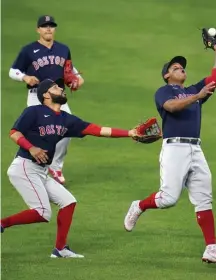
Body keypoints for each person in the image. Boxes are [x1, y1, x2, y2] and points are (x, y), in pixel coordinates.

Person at [1, 79, 138, 258]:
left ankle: (60, 249)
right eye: (56, 87)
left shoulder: (66, 119)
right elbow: (14, 132)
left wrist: (129, 133)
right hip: (25, 167)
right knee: (43, 212)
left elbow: (97, 130)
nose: (61, 88)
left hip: (41, 171)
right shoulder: (33, 111)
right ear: (45, 95)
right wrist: (31, 148)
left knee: (68, 202)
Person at [123, 46, 216, 265]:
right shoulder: (164, 92)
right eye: (175, 67)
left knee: (204, 197)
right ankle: (140, 205)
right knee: (168, 198)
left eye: (182, 67)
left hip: (196, 149)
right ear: (167, 75)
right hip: (174, 149)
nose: (181, 69)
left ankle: (211, 248)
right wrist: (197, 97)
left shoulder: (194, 89)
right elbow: (172, 107)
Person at [9, 15, 84, 185]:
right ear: (38, 30)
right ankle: (22, 165)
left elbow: (69, 68)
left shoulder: (63, 49)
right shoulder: (28, 50)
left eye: (51, 26)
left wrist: (77, 79)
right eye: (44, 26)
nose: (48, 29)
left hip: (58, 97)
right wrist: (25, 77)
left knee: (66, 130)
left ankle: (55, 167)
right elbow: (13, 71)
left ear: (54, 29)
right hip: (36, 95)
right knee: (33, 133)